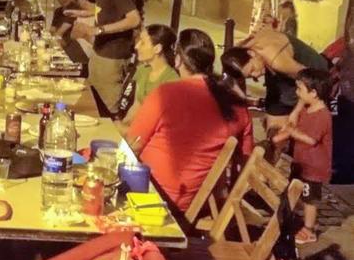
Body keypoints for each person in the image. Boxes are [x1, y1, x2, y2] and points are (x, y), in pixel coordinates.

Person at [122, 29, 254, 213]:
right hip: (197, 203)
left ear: (178, 60)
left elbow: (131, 145)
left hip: (149, 196)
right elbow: (245, 161)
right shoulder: (237, 106)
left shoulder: (165, 94)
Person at [71, 0, 140, 115]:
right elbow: (109, 9)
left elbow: (133, 19)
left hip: (112, 59)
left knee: (108, 114)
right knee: (94, 110)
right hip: (99, 54)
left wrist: (97, 30)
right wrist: (86, 11)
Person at [273, 68, 333, 245]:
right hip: (302, 162)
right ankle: (288, 219)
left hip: (314, 167)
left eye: (300, 89)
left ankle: (309, 230)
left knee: (310, 200)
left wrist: (291, 131)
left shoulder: (323, 115)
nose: (297, 93)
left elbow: (311, 139)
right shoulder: (308, 109)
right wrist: (278, 138)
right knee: (295, 190)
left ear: (313, 93)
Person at [237, 28, 328, 137]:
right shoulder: (249, 47)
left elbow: (308, 81)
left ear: (251, 54)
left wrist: (296, 111)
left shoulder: (277, 61)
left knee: (282, 128)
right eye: (250, 76)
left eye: (252, 70)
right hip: (284, 72)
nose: (256, 76)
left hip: (313, 73)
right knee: (273, 123)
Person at [121, 24, 179, 122]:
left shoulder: (171, 80)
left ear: (157, 49)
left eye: (142, 43)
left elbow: (160, 120)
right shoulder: (142, 70)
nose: (136, 46)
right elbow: (136, 106)